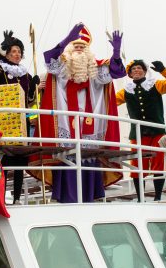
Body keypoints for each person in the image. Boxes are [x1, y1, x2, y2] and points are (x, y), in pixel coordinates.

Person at [36, 23, 125, 203]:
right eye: (75, 45)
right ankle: (65, 197)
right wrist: (65, 40)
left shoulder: (96, 69)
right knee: (67, 154)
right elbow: (49, 58)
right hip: (65, 122)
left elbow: (115, 72)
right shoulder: (62, 67)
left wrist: (116, 53)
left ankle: (91, 195)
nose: (79, 48)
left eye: (82, 46)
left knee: (88, 155)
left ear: (88, 51)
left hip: (90, 124)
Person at [0, 30, 40, 204]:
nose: (16, 54)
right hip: (5, 120)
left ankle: (17, 198)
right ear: (7, 54)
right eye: (13, 51)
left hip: (22, 120)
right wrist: (2, 47)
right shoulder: (0, 70)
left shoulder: (25, 74)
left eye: (19, 51)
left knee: (20, 159)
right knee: (3, 160)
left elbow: (30, 101)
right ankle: (0, 197)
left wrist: (33, 87)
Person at [115, 59, 166, 201]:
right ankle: (141, 198)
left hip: (157, 132)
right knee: (138, 166)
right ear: (130, 74)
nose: (136, 70)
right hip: (137, 134)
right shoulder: (126, 91)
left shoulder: (155, 85)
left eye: (139, 68)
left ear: (145, 71)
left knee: (158, 163)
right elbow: (111, 101)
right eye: (133, 69)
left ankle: (157, 197)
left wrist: (163, 70)